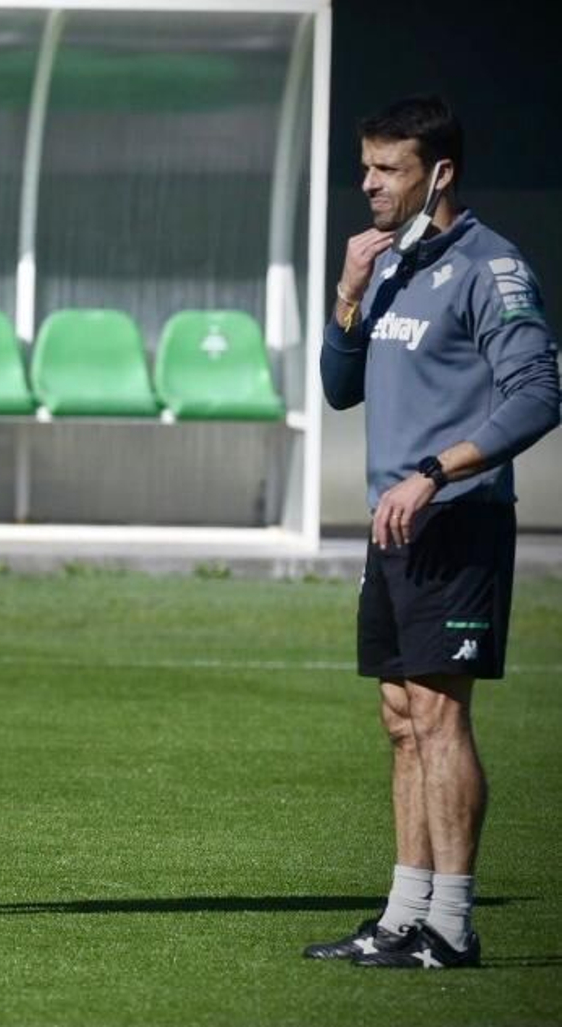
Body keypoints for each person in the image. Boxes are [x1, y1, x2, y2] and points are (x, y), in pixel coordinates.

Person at [309, 95, 559, 969]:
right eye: (366, 167)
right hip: (395, 528)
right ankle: (402, 915)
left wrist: (435, 472)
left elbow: (538, 394)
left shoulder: (494, 267)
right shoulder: (391, 266)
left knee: (441, 716)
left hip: (457, 519)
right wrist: (347, 294)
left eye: (389, 169)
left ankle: (451, 925)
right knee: (401, 717)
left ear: (440, 172)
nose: (369, 184)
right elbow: (340, 387)